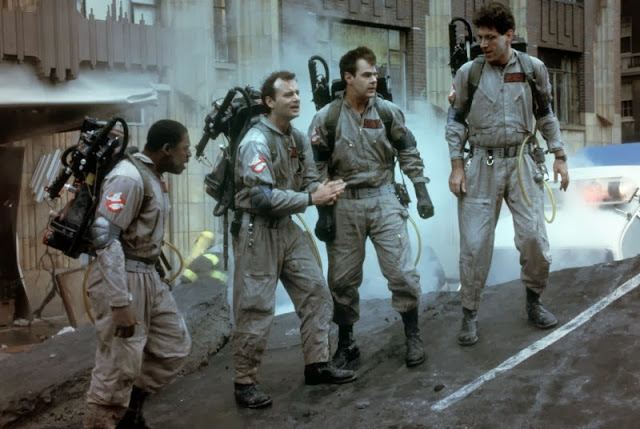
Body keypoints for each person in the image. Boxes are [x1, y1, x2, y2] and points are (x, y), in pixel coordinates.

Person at [445, 2, 570, 346]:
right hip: (482, 164)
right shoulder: (468, 73)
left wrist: (559, 155)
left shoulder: (532, 69)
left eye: (491, 37)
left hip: (521, 162)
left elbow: (546, 113)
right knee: (474, 245)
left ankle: (534, 301)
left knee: (533, 239)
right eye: (480, 37)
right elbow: (455, 120)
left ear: (509, 35)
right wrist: (456, 165)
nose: (483, 44)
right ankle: (469, 313)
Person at [231, 70, 357, 409]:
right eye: (288, 94)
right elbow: (261, 198)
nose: (297, 99)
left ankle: (318, 364)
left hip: (286, 227)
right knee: (256, 307)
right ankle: (244, 382)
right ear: (269, 102)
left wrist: (324, 189)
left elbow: (308, 181)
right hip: (257, 230)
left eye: (298, 93)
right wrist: (311, 199)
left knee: (316, 291)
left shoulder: (297, 138)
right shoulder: (256, 142)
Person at [308, 46, 434, 369]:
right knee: (342, 280)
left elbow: (409, 153)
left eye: (375, 74)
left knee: (402, 273)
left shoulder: (389, 112)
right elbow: (317, 172)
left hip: (384, 199)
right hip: (344, 203)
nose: (374, 80)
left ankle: (412, 334)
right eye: (366, 74)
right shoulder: (327, 118)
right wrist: (324, 215)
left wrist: (422, 193)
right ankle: (346, 342)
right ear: (348, 77)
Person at [82, 120, 193, 429]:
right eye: (185, 149)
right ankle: (103, 422)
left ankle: (128, 415)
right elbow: (105, 237)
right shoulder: (128, 177)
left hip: (147, 276)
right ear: (166, 149)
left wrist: (156, 278)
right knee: (117, 365)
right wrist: (119, 302)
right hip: (121, 277)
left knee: (173, 347)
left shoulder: (153, 177)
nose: (189, 155)